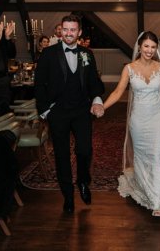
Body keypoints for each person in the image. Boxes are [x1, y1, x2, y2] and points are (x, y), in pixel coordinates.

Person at [102, 31, 160, 217]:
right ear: (139, 47)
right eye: (146, 46)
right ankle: (144, 184)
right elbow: (117, 92)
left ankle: (157, 202)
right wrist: (102, 107)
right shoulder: (128, 68)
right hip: (138, 119)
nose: (150, 50)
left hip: (158, 118)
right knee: (141, 156)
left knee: (156, 156)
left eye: (153, 47)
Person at [34, 15, 105, 214]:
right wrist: (45, 111)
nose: (68, 33)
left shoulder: (86, 54)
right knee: (62, 154)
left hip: (82, 110)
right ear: (60, 30)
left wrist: (97, 99)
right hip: (57, 112)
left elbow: (94, 82)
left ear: (79, 32)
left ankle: (83, 181)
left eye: (73, 30)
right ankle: (67, 195)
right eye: (65, 29)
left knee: (85, 150)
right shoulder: (48, 54)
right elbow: (39, 85)